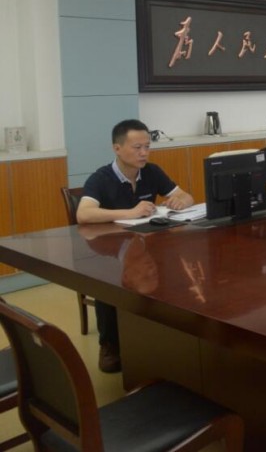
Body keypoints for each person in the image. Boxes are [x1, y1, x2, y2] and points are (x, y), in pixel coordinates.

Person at [76, 119, 194, 373]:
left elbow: (186, 195)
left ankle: (165, 334)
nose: (143, 153)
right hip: (109, 251)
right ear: (117, 149)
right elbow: (83, 214)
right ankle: (109, 344)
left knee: (175, 271)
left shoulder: (152, 172)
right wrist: (129, 213)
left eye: (147, 147)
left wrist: (181, 201)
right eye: (137, 147)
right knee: (108, 281)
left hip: (144, 246)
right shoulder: (101, 178)